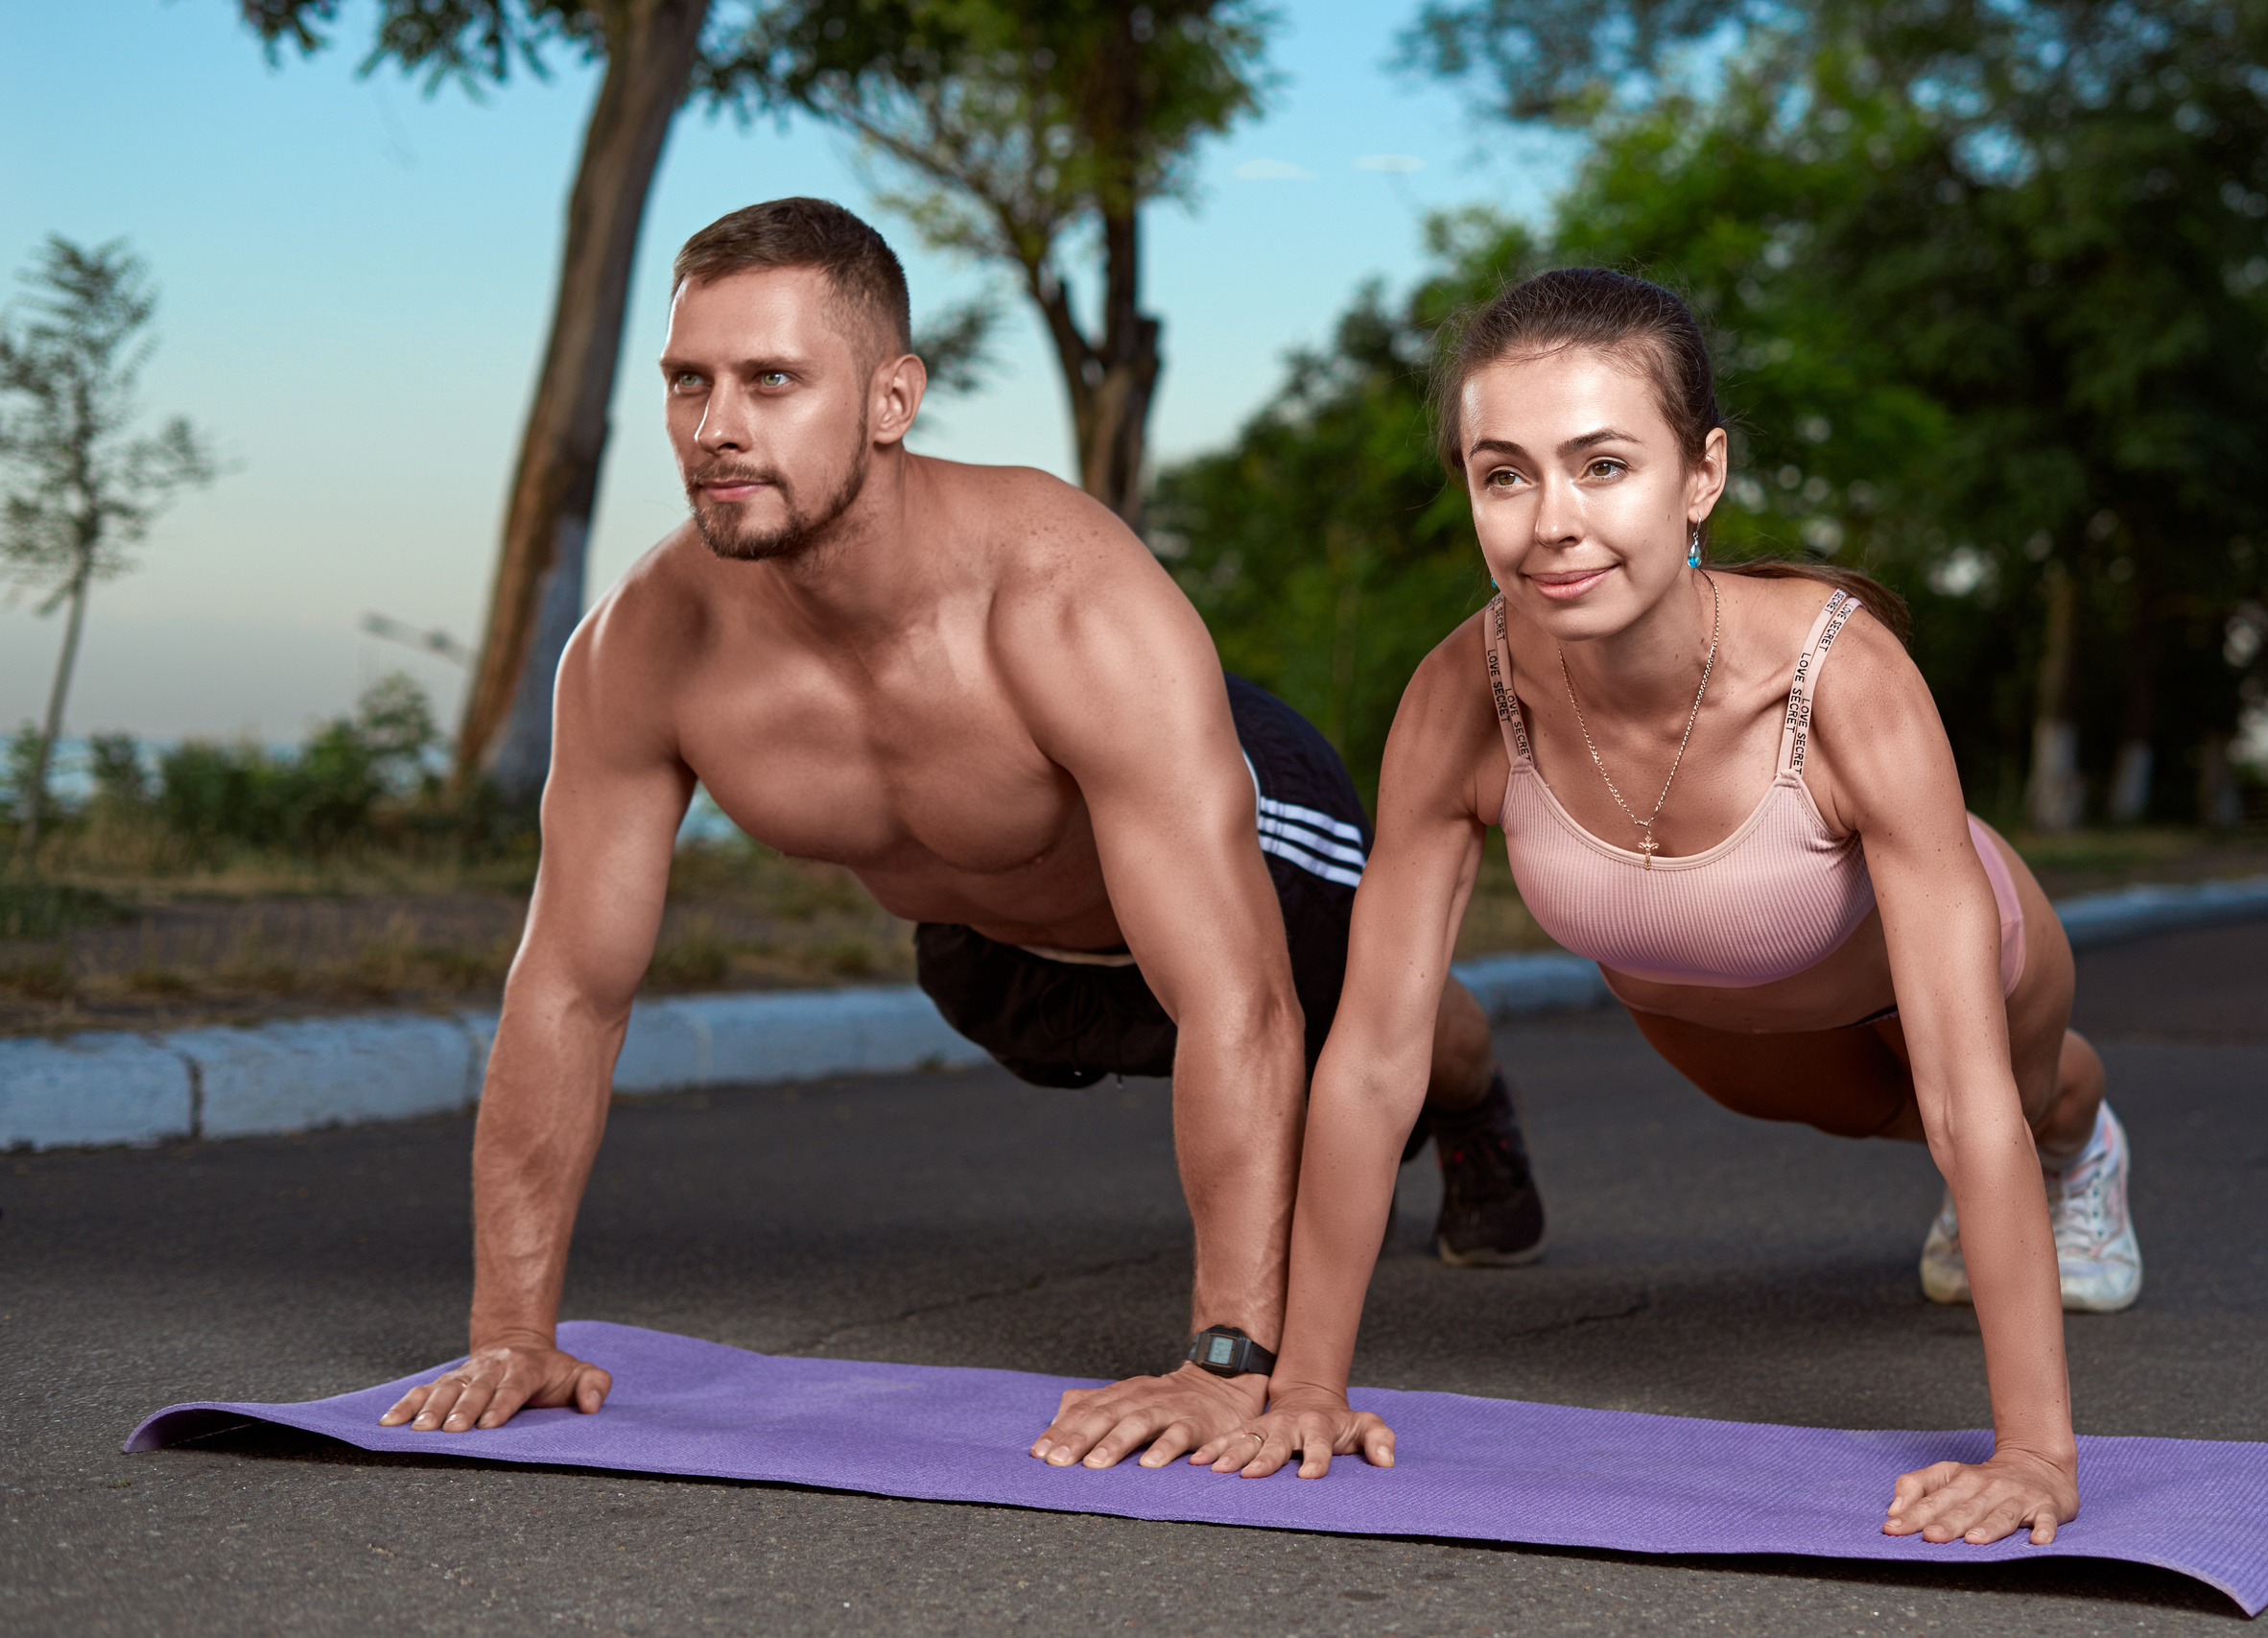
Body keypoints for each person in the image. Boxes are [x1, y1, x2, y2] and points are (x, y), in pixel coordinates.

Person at [373, 198, 1545, 1466]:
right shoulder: (643, 649)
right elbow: (568, 991)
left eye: (773, 380)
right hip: (992, 948)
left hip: (1243, 835)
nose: (716, 429)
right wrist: (509, 1334)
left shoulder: (1061, 596)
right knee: (1065, 1007)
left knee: (1373, 1021)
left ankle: (1472, 1102)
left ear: (891, 400)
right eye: (687, 382)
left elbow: (1237, 1005)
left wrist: (1225, 1367)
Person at [1209, 269, 2140, 1546]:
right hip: (1712, 1004)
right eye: (1505, 475)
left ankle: (2084, 1144)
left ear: (1701, 474)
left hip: (1958, 951)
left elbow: (1964, 1089)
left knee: (2000, 1106)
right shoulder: (1457, 697)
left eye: (1602, 465)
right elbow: (1375, 1057)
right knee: (1851, 1117)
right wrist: (1303, 1385)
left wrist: (2034, 1454)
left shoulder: (1841, 676)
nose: (1551, 523)